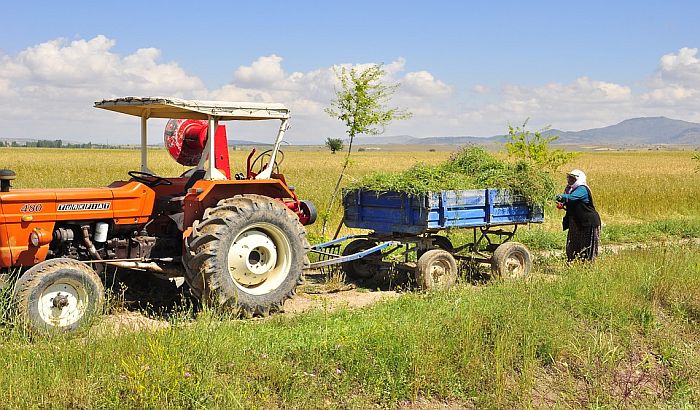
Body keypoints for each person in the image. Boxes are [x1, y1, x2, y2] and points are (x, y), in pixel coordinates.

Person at [555, 169, 601, 262]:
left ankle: (587, 270)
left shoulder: (582, 189)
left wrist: (557, 196)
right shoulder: (569, 189)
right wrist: (562, 204)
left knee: (587, 248)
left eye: (572, 178)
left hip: (588, 222)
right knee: (573, 246)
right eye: (569, 178)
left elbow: (572, 198)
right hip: (576, 222)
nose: (570, 180)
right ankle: (573, 265)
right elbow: (566, 200)